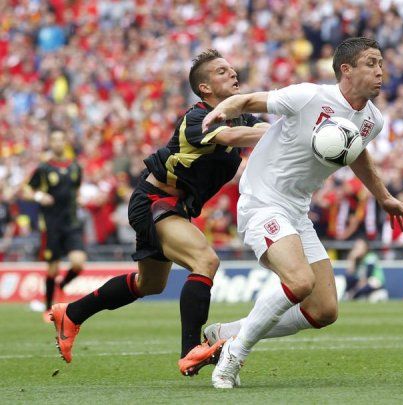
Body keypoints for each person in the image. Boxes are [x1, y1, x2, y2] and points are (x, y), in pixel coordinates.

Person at [201, 37, 403, 389]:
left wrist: (384, 196)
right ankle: (233, 356)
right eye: (372, 63)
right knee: (299, 282)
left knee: (324, 310)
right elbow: (251, 99)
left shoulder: (372, 121)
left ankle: (226, 333)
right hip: (262, 201)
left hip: (297, 212)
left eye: (381, 64)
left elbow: (356, 153)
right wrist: (226, 108)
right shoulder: (309, 96)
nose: (381, 72)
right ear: (346, 70)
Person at [49, 49, 269, 376]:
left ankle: (72, 313)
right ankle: (191, 349)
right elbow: (232, 137)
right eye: (222, 71)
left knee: (149, 284)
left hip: (173, 206)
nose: (233, 72)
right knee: (205, 261)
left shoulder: (239, 115)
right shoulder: (197, 118)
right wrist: (277, 132)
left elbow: (260, 123)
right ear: (205, 88)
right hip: (154, 200)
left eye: (231, 68)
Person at [24, 128, 87, 323]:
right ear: (50, 143)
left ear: (65, 142)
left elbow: (76, 190)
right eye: (55, 140)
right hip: (52, 224)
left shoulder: (75, 167)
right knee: (52, 268)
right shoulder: (44, 168)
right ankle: (48, 307)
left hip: (72, 223)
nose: (58, 143)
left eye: (61, 139)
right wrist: (39, 196)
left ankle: (62, 285)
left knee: (78, 262)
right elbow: (26, 189)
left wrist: (80, 199)